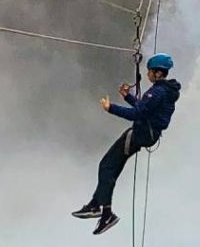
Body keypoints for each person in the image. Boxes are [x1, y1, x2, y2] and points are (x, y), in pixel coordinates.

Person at [72, 53, 182, 235]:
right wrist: (127, 97)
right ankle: (96, 205)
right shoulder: (165, 91)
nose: (147, 74)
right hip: (147, 134)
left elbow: (137, 114)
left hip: (141, 134)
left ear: (157, 73)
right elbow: (145, 108)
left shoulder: (157, 92)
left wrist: (110, 108)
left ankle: (105, 212)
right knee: (111, 167)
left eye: (149, 71)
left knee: (107, 166)